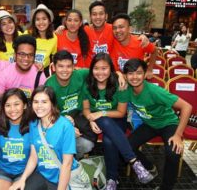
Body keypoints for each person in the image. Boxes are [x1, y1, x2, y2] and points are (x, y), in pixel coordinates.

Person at [82, 53, 154, 189]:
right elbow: (86, 109)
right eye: (96, 68)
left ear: (111, 69)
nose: (100, 72)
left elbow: (121, 112)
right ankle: (134, 162)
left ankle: (112, 179)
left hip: (117, 120)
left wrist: (100, 112)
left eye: (104, 68)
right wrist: (91, 118)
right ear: (92, 69)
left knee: (109, 139)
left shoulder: (120, 85)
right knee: (103, 120)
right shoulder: (87, 85)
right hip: (96, 120)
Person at [123, 59, 192, 190]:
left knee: (173, 152)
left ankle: (167, 187)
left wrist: (178, 134)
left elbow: (187, 107)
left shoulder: (154, 91)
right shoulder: (126, 89)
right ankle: (150, 168)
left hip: (168, 123)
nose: (134, 77)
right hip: (150, 124)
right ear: (125, 75)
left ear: (145, 74)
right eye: (130, 73)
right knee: (127, 146)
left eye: (138, 73)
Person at [10, 86, 86, 190]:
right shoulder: (34, 124)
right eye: (36, 102)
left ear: (52, 104)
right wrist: (22, 179)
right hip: (43, 174)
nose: (39, 106)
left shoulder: (65, 126)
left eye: (44, 102)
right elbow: (33, 157)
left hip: (63, 176)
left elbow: (67, 164)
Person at [45, 50, 96, 159]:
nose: (65, 70)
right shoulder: (49, 86)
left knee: (88, 145)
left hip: (78, 116)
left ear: (74, 67)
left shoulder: (80, 74)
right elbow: (48, 115)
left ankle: (73, 163)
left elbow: (100, 70)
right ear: (53, 67)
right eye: (61, 66)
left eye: (68, 66)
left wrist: (119, 74)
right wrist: (67, 127)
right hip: (59, 121)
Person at [0, 88, 31, 189]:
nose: (12, 109)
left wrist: (68, 120)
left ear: (25, 105)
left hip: (26, 171)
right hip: (3, 170)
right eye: (8, 105)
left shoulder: (34, 123)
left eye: (16, 104)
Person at [110, 13, 157, 79]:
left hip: (135, 81)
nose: (117, 30)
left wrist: (150, 69)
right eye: (114, 28)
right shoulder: (111, 41)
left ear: (129, 28)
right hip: (118, 79)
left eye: (121, 27)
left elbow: (154, 51)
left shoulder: (140, 42)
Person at [29, 4, 57, 77]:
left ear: (49, 21)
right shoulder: (27, 35)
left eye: (44, 19)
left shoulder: (54, 37)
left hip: (45, 72)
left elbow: (54, 56)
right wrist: (34, 63)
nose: (41, 22)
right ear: (34, 22)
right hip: (28, 70)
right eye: (37, 19)